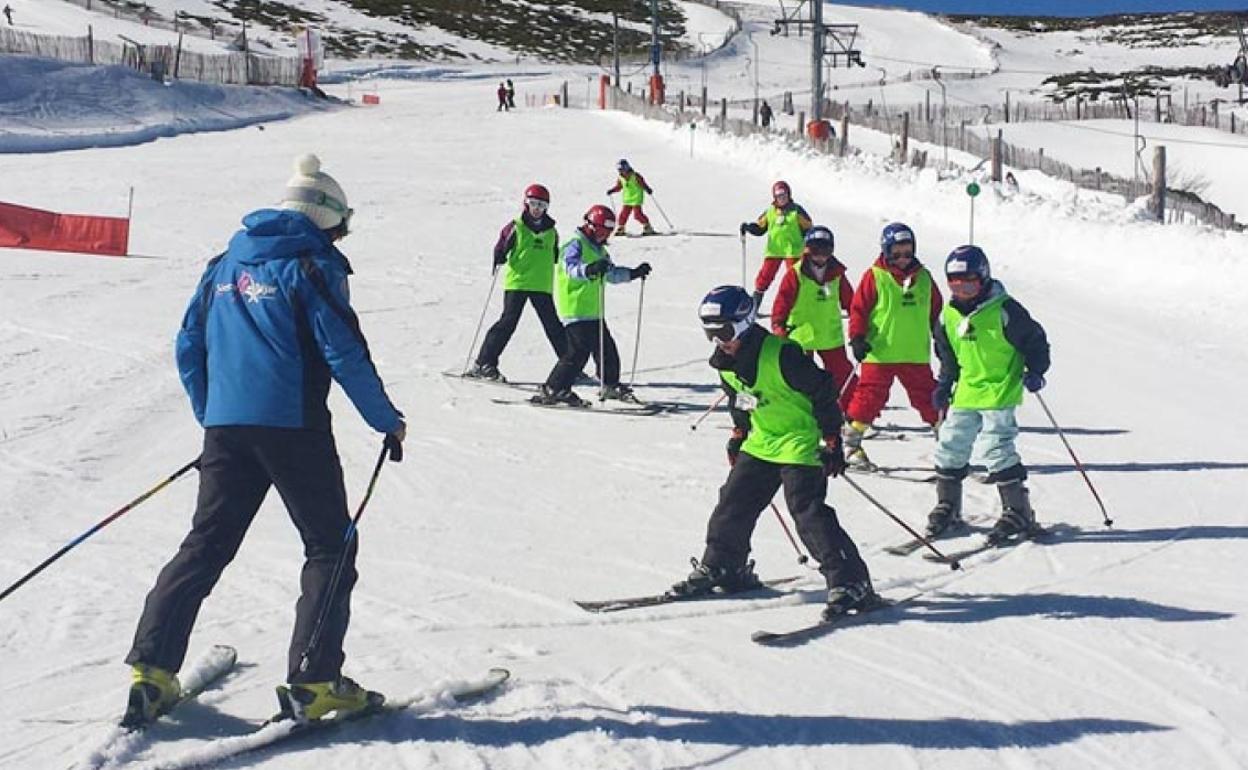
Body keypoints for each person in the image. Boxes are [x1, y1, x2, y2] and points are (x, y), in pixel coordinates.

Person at [122, 154, 405, 727]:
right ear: (325, 219)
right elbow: (342, 349)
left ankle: (151, 672)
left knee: (206, 544)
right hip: (293, 428)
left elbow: (188, 345)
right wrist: (385, 419)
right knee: (330, 546)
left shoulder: (226, 261)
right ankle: (315, 679)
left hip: (229, 429)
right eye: (341, 225)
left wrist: (214, 415)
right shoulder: (311, 264)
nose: (341, 234)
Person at [670, 286, 874, 621]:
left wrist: (833, 438)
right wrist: (739, 433)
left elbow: (823, 389)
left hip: (799, 441)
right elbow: (739, 399)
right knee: (732, 502)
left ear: (744, 323)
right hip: (762, 441)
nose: (718, 340)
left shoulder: (781, 355)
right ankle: (724, 567)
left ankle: (852, 582)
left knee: (806, 512)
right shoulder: (726, 364)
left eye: (723, 331)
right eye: (710, 333)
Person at [928, 245, 1050, 542]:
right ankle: (948, 505)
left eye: (969, 282)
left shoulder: (1005, 310)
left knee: (996, 448)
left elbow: (1036, 341)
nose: (962, 289)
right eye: (955, 283)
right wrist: (944, 384)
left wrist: (1036, 371)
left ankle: (1018, 510)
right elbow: (947, 354)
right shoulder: (948, 316)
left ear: (983, 278)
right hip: (968, 390)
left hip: (999, 388)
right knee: (950, 444)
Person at [843, 222, 943, 465]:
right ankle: (851, 444)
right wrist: (857, 337)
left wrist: (941, 339)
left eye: (907, 253)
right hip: (880, 352)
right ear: (886, 251)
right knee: (869, 398)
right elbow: (858, 309)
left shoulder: (924, 278)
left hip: (914, 353)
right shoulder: (875, 276)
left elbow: (936, 310)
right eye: (896, 254)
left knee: (929, 397)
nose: (902, 259)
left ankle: (950, 445)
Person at [533, 204, 651, 406]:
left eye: (608, 233)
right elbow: (569, 268)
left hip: (593, 310)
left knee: (607, 350)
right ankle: (554, 388)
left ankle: (610, 385)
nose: (604, 237)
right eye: (602, 232)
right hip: (575, 307)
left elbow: (611, 274)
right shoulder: (575, 243)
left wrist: (633, 273)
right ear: (591, 226)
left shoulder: (600, 250)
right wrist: (589, 270)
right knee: (577, 353)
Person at [466, 184, 567, 381]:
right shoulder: (516, 226)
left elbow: (555, 255)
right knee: (507, 323)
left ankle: (569, 365)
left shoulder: (552, 232)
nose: (537, 208)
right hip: (518, 283)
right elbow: (502, 245)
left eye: (542, 205)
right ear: (525, 203)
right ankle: (484, 363)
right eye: (533, 203)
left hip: (541, 284)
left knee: (552, 325)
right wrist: (499, 256)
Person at [769, 225, 858, 410]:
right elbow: (782, 302)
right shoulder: (795, 273)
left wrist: (861, 327)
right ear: (807, 249)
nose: (820, 256)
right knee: (800, 376)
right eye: (815, 250)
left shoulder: (837, 275)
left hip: (830, 336)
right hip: (801, 336)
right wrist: (778, 325)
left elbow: (852, 303)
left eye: (825, 250)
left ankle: (852, 412)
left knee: (843, 375)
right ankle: (802, 411)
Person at [739, 180, 812, 312]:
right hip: (774, 250)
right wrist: (749, 227)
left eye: (784, 195)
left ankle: (799, 307)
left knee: (795, 279)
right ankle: (754, 307)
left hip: (793, 251)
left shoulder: (796, 211)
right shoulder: (770, 212)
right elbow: (760, 228)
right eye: (778, 195)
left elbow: (808, 227)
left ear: (789, 195)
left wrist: (810, 244)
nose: (782, 198)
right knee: (764, 278)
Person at [606, 159, 655, 236]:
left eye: (622, 169)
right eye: (619, 170)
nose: (621, 172)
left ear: (627, 168)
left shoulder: (636, 176)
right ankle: (621, 228)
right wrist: (612, 190)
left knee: (637, 214)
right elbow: (619, 187)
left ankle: (647, 226)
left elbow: (643, 184)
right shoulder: (620, 178)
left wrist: (647, 189)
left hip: (636, 198)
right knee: (623, 215)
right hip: (627, 199)